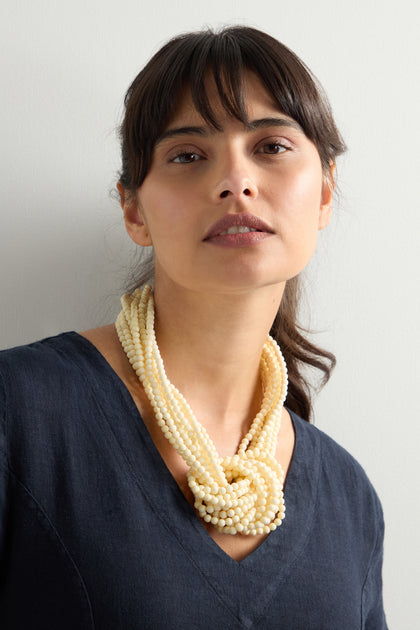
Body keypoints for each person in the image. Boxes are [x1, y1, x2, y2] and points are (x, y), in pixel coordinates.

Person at [0, 26, 387, 629]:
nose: (236, 181)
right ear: (134, 210)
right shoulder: (18, 413)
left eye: (272, 146)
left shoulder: (350, 499)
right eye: (188, 155)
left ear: (324, 197)